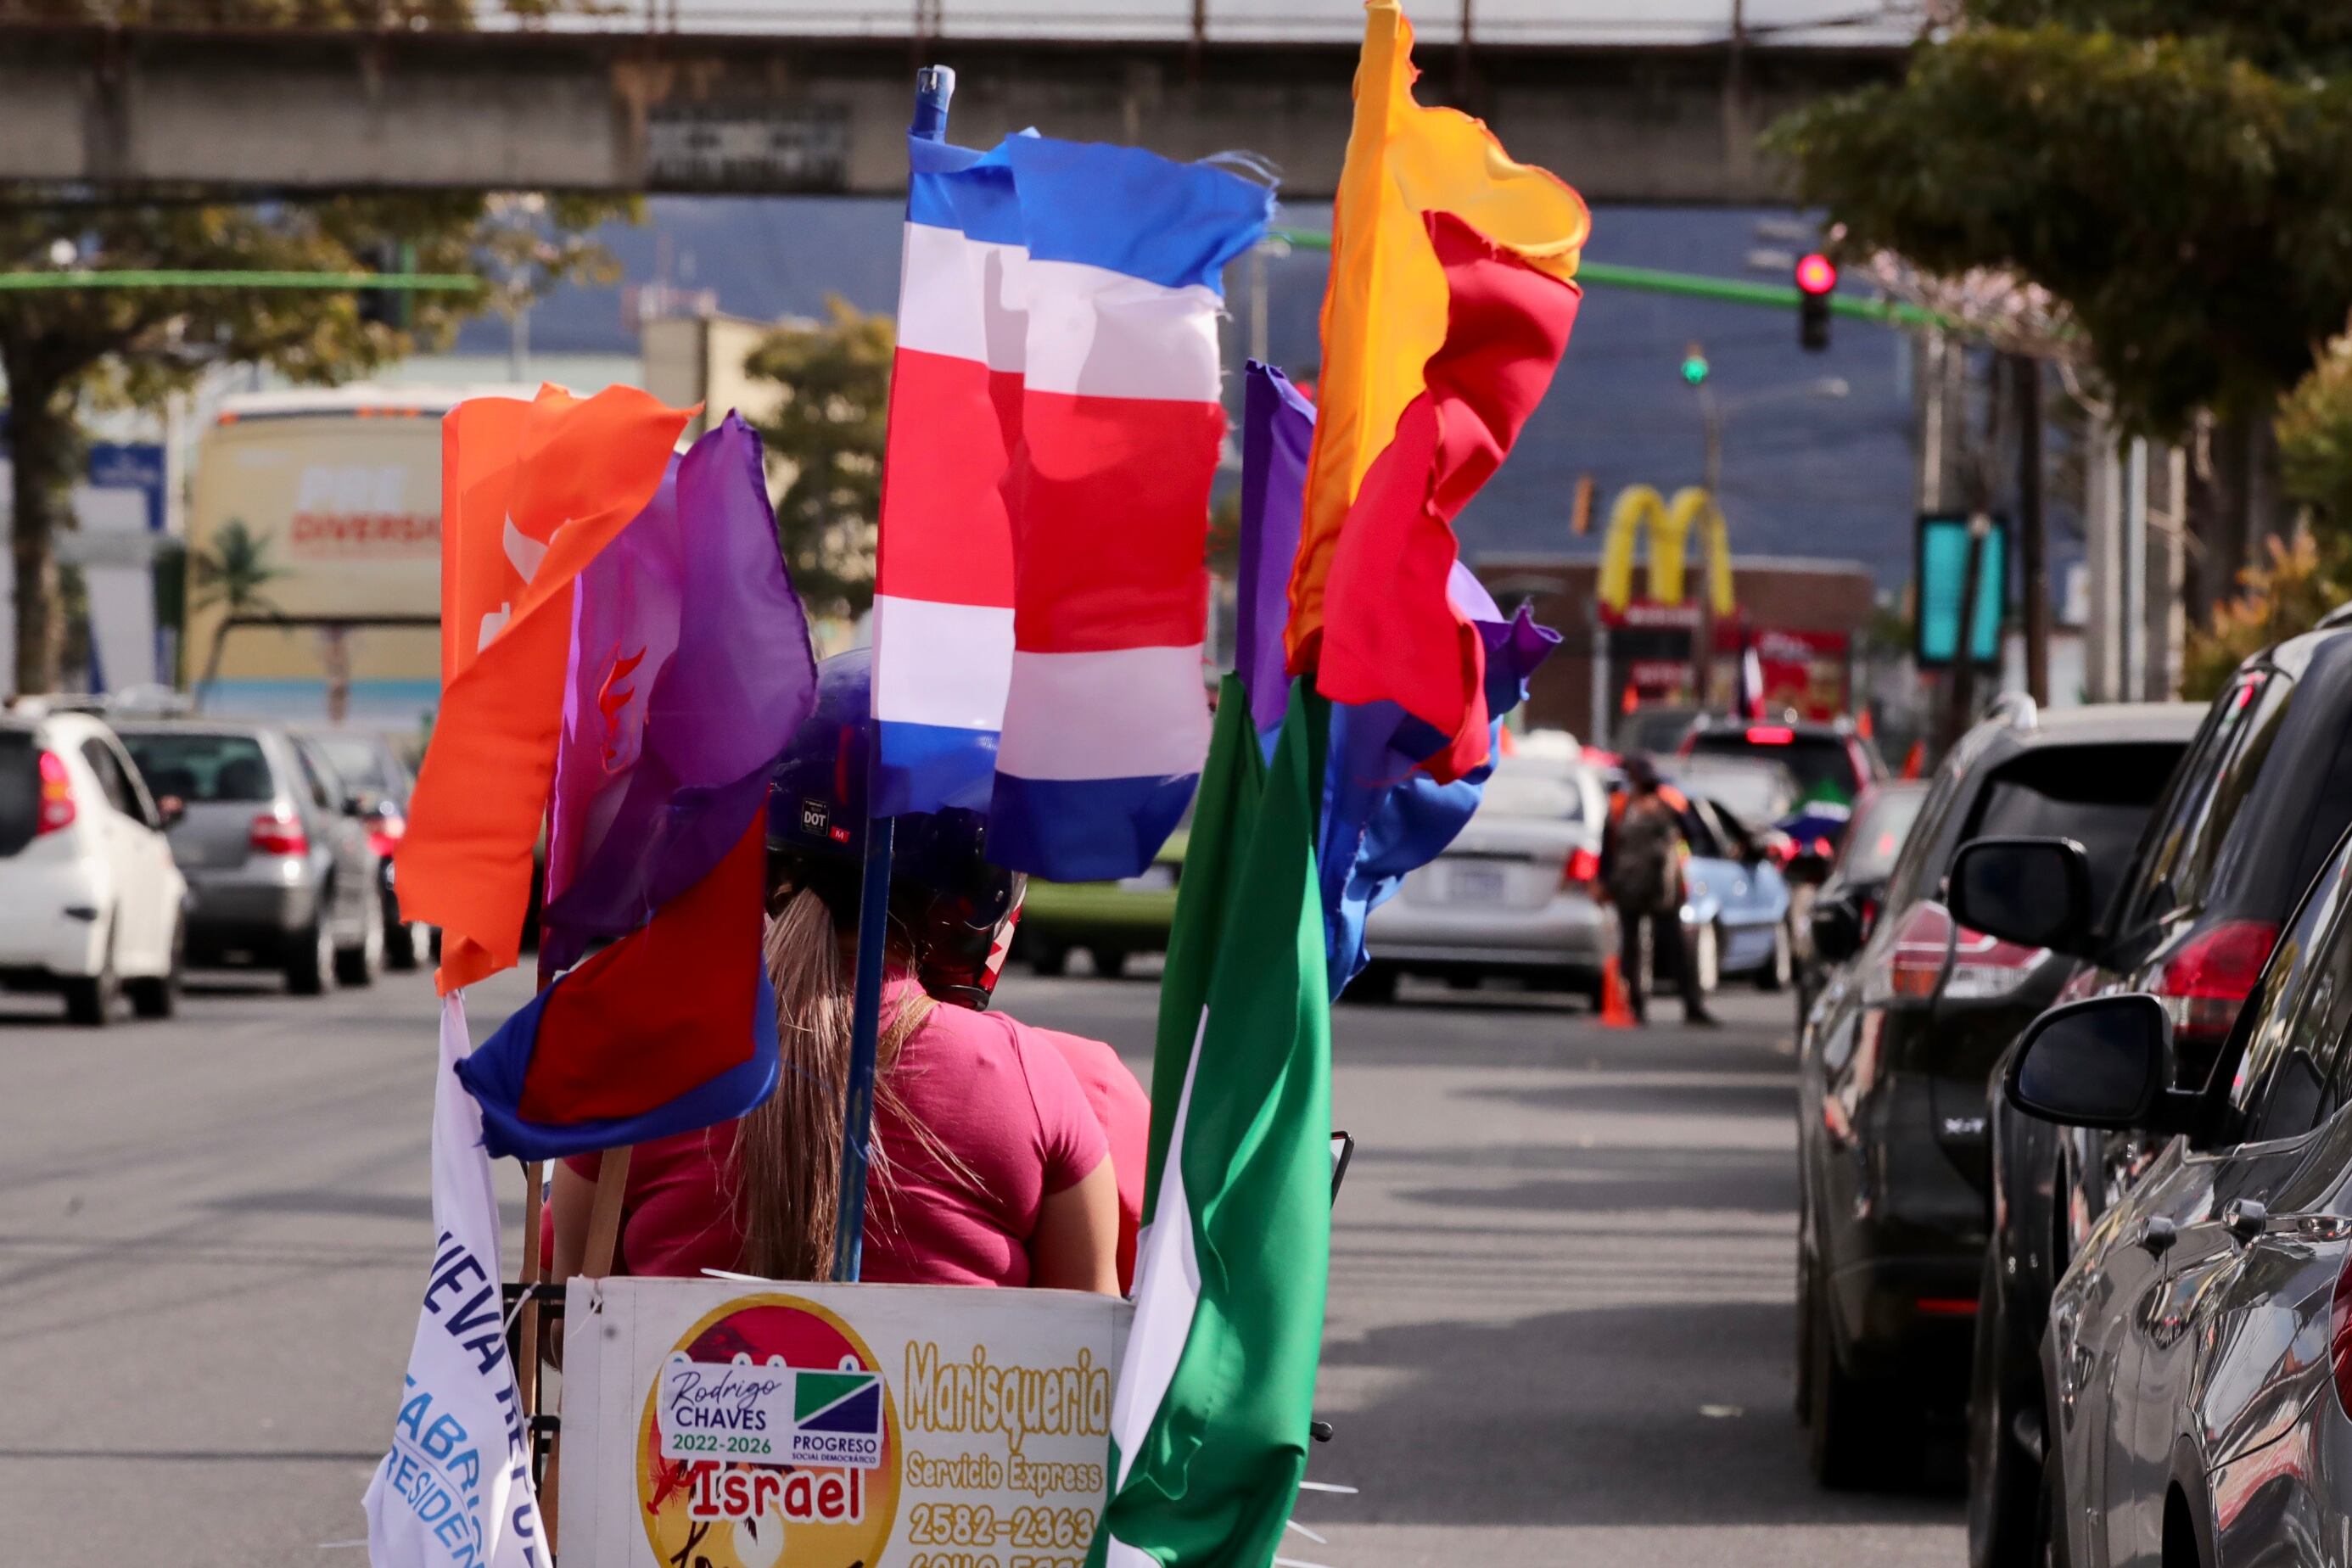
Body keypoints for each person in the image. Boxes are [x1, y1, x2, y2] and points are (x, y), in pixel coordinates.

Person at [546, 649, 1131, 1294]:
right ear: (982, 883)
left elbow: (563, 1320)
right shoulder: (1033, 1084)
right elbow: (1089, 1342)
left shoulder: (636, 1066)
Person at [1599, 753, 1717, 1027]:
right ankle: (1635, 1005)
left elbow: (1696, 834)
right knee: (1631, 948)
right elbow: (1608, 846)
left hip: (1664, 886)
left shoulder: (1670, 802)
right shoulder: (1620, 805)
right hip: (1628, 884)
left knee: (1677, 946)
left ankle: (1692, 1005)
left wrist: (1672, 811)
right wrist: (1602, 880)